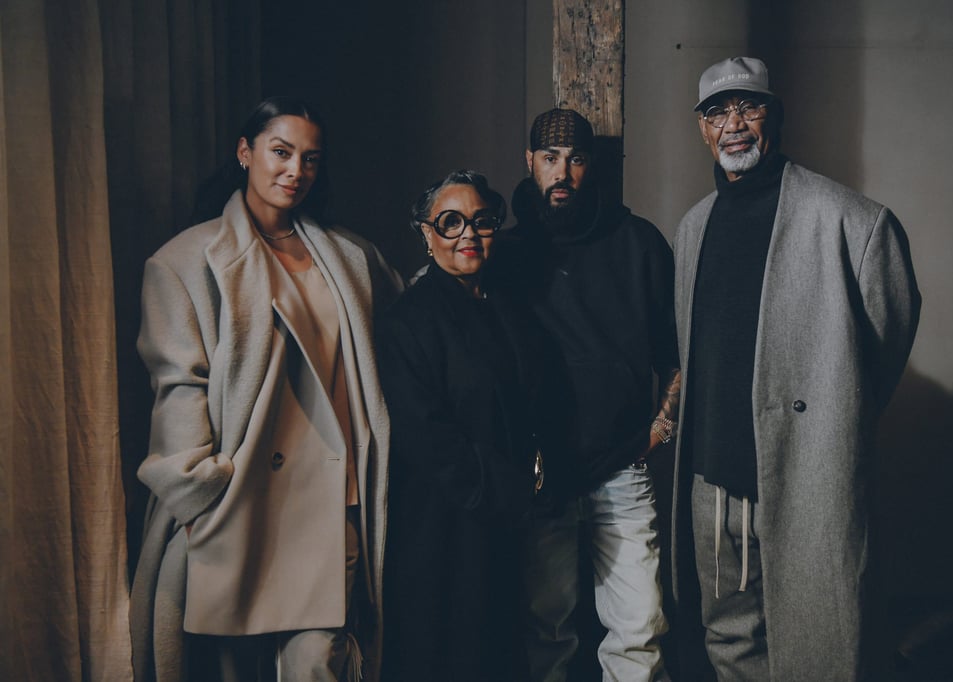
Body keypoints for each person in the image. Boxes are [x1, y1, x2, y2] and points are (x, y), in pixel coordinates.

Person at [128, 96, 402, 682]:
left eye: (310, 158)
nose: (295, 171)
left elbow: (401, 346)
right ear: (244, 152)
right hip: (239, 500)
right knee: (232, 671)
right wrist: (199, 494)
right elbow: (179, 386)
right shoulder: (184, 260)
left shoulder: (352, 259)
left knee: (318, 663)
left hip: (332, 501)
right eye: (281, 152)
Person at [670, 57, 922, 680]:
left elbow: (883, 347)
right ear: (702, 127)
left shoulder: (854, 221)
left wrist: (831, 416)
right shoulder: (693, 227)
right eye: (716, 111)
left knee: (820, 646)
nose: (733, 124)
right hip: (713, 482)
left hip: (805, 475)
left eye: (748, 107)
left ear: (773, 117)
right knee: (728, 642)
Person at [490, 108, 677, 682]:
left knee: (640, 624)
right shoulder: (505, 252)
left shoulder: (639, 243)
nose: (562, 172)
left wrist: (657, 429)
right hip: (543, 467)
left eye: (574, 159)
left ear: (590, 165)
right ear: (529, 163)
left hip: (622, 462)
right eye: (550, 159)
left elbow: (674, 354)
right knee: (547, 625)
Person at [376, 170, 560, 681]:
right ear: (425, 232)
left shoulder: (507, 305)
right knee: (450, 656)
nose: (468, 235)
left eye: (481, 221)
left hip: (504, 520)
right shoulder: (406, 322)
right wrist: (514, 489)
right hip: (443, 528)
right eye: (451, 222)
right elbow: (425, 435)